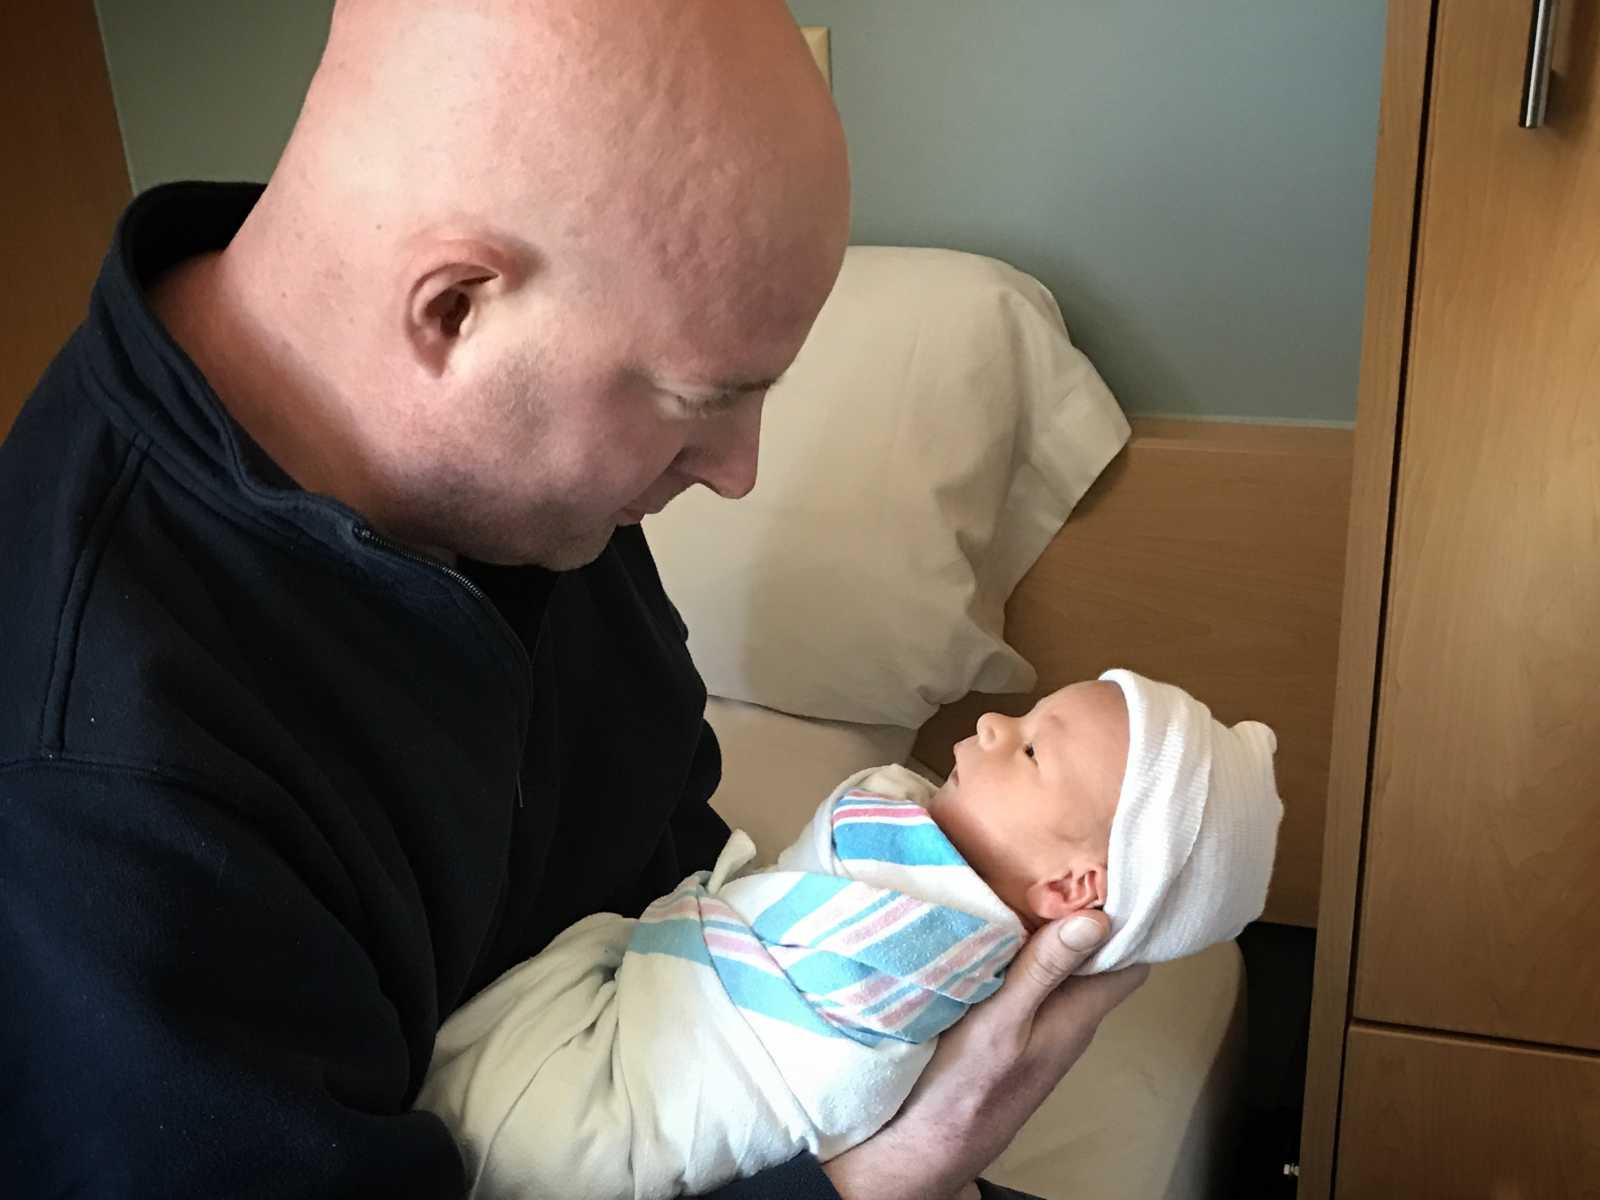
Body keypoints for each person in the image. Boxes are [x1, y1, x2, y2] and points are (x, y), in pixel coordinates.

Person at [0, 2, 1145, 1196]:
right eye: (702, 400)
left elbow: (661, 849)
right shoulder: (97, 781)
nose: (737, 471)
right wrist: (888, 1178)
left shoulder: (522, 497)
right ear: (453, 310)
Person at [412, 669, 1281, 1198]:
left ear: (1073, 886)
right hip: (670, 995)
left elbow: (836, 1055)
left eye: (1029, 753)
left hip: (665, 1090)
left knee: (531, 1136)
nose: (991, 723)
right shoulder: (921, 865)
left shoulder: (936, 944)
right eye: (1027, 716)